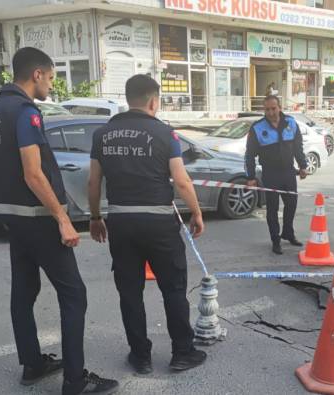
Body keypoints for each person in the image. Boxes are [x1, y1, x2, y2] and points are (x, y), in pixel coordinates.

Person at [0, 47, 117, 395]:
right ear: (37, 74)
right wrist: (62, 218)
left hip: (13, 219)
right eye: (53, 77)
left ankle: (33, 365)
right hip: (40, 219)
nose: (52, 86)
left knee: (24, 293)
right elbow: (33, 173)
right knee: (75, 295)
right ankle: (74, 381)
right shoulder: (26, 113)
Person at [88, 75, 207, 375]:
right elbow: (181, 180)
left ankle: (140, 356)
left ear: (128, 98)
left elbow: (94, 181)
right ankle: (182, 352)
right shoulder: (166, 134)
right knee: (173, 289)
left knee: (130, 292)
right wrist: (196, 212)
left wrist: (94, 217)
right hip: (159, 224)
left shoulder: (102, 134)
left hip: (121, 222)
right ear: (154, 101)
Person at [245, 95, 308, 255]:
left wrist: (303, 166)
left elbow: (298, 148)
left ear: (279, 107)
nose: (271, 112)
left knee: (291, 204)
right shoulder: (257, 128)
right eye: (267, 109)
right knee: (272, 209)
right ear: (263, 110)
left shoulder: (291, 123)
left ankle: (288, 232)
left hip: (288, 172)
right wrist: (250, 177)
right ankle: (275, 239)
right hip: (270, 174)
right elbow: (249, 155)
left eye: (273, 108)